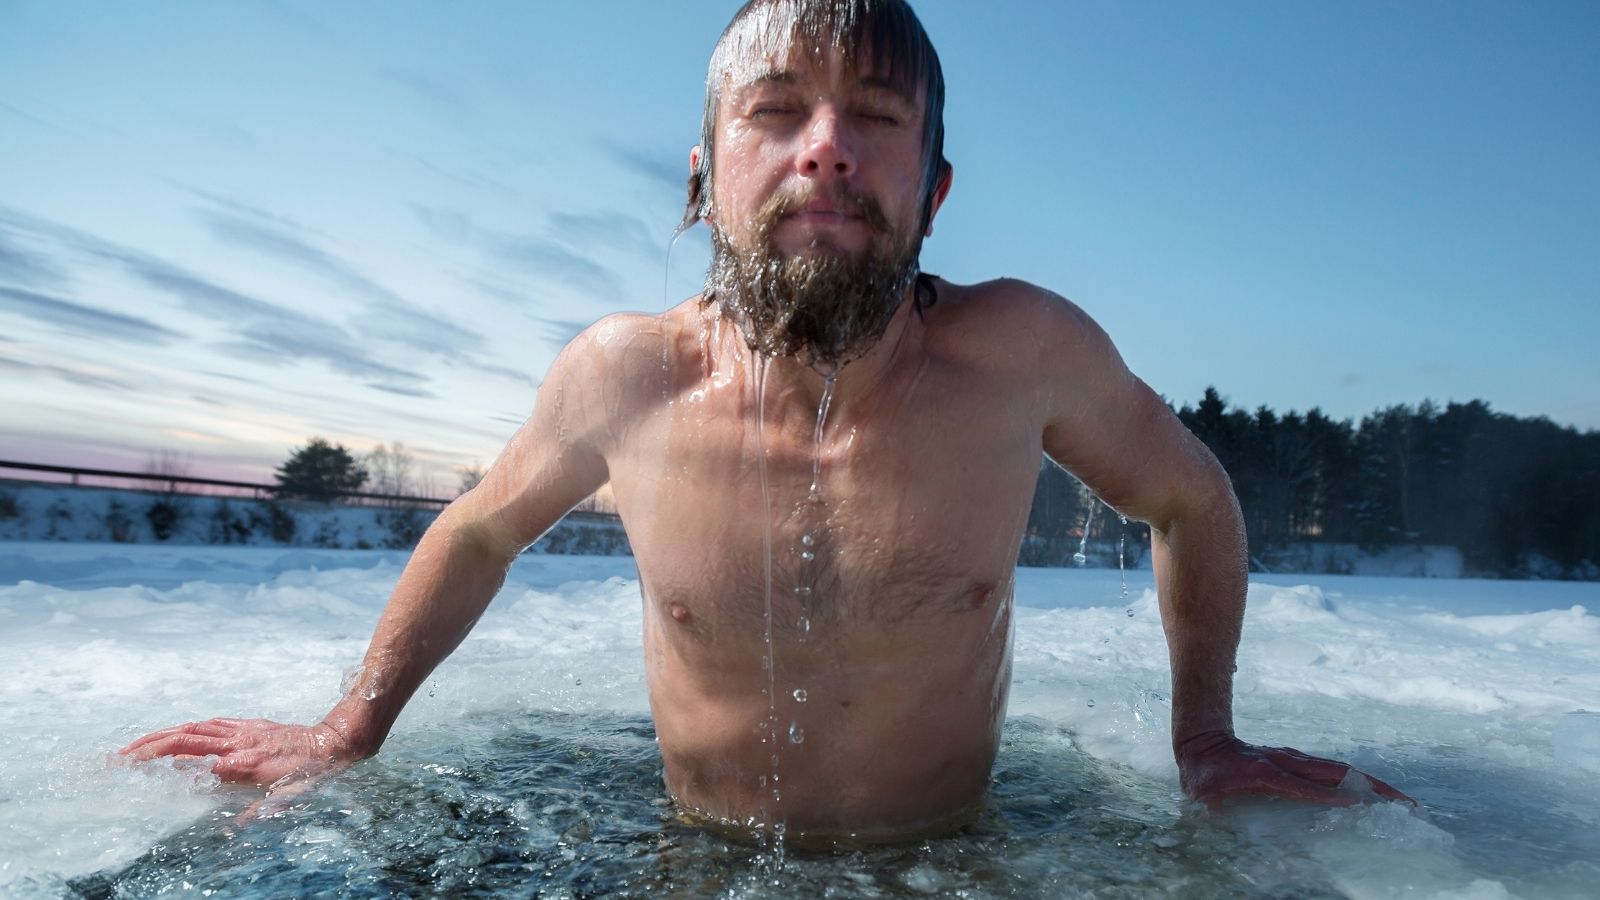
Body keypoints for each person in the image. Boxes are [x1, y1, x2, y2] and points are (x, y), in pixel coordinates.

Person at [121, 0, 1407, 842]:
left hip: (954, 863)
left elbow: (1191, 498)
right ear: (705, 172)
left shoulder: (1024, 353)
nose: (828, 148)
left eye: (879, 119)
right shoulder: (624, 379)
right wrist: (349, 730)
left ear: (935, 187)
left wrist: (1206, 741)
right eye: (776, 111)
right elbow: (474, 533)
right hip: (698, 859)